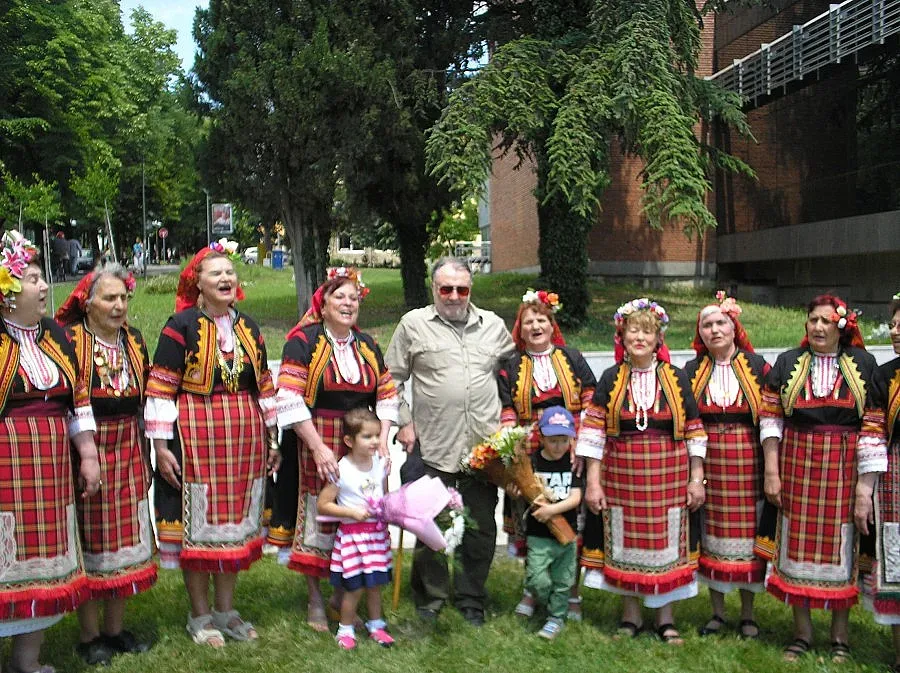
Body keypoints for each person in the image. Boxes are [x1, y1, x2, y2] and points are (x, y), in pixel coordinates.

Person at [144, 242, 280, 648]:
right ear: (197, 284)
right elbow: (161, 388)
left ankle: (226, 611)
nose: (225, 278)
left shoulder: (249, 327)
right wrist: (162, 447)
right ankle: (200, 616)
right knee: (197, 530)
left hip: (244, 441)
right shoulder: (179, 326)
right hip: (196, 440)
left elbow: (264, 387)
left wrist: (274, 437)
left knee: (235, 526)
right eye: (215, 273)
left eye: (229, 273)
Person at [384, 257, 515, 626]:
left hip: (483, 449)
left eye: (462, 289)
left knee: (480, 529)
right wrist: (405, 424)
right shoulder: (414, 325)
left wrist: (510, 424)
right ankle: (431, 598)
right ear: (434, 289)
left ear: (470, 290)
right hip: (432, 447)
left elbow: (514, 377)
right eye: (446, 289)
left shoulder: (493, 326)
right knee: (432, 527)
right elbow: (388, 379)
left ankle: (471, 598)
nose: (455, 296)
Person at [758, 294, 886, 663]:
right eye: (813, 320)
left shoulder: (863, 363)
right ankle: (801, 634)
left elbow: (873, 425)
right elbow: (771, 419)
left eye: (826, 321)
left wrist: (865, 487)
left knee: (842, 549)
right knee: (795, 547)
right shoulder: (788, 362)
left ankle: (840, 638)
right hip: (796, 464)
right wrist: (772, 470)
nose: (817, 327)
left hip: (843, 470)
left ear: (841, 326)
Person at [271, 267, 398, 632]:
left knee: (357, 511)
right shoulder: (303, 342)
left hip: (359, 440)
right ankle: (315, 596)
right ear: (322, 305)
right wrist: (320, 450)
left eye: (353, 298)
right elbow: (290, 397)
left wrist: (383, 441)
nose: (348, 303)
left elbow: (387, 395)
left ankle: (343, 595)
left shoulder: (368, 345)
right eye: (339, 297)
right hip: (316, 436)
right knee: (319, 511)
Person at [576, 298, 707, 645]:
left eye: (647, 332)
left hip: (669, 477)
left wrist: (697, 479)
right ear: (622, 335)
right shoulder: (610, 378)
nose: (639, 337)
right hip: (621, 478)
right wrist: (593, 483)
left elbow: (694, 431)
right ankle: (630, 616)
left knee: (669, 547)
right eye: (633, 330)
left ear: (658, 339)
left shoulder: (677, 379)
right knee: (623, 543)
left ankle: (665, 619)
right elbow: (593, 433)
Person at [0, 231, 100, 673]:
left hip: (49, 468)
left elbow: (78, 400)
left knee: (41, 562)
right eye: (34, 279)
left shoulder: (56, 336)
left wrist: (89, 454)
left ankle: (27, 661)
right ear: (7, 292)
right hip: (7, 466)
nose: (45, 287)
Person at [55, 264, 156, 665]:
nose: (119, 306)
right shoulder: (70, 341)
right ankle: (89, 634)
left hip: (128, 441)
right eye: (109, 298)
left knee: (125, 538)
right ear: (87, 301)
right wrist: (85, 455)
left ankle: (115, 631)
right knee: (91, 537)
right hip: (85, 448)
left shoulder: (133, 340)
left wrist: (149, 451)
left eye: (123, 298)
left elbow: (146, 399)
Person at [498, 288, 595, 621]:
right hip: (530, 454)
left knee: (572, 523)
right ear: (520, 328)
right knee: (533, 522)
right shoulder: (511, 365)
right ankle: (532, 589)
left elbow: (590, 403)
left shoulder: (572, 358)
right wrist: (515, 460)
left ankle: (572, 594)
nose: (535, 326)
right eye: (528, 321)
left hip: (569, 450)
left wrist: (581, 447)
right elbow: (507, 411)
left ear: (552, 325)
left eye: (541, 320)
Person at [683, 292, 769, 639]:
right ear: (700, 332)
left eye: (721, 323)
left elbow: (771, 419)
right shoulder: (691, 372)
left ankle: (748, 614)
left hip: (749, 462)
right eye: (707, 324)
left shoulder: (758, 367)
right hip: (709, 461)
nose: (715, 330)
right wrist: (695, 473)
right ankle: (717, 612)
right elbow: (688, 422)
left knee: (748, 538)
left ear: (735, 328)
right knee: (711, 534)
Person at [316, 407, 394, 650]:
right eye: (367, 437)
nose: (374, 441)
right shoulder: (342, 470)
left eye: (376, 436)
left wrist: (390, 511)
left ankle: (376, 626)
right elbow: (323, 504)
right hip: (353, 539)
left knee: (374, 585)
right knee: (354, 587)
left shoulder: (380, 465)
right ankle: (346, 629)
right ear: (349, 440)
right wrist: (351, 512)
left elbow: (385, 494)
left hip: (376, 537)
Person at [513, 406, 583, 640]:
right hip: (539, 536)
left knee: (564, 580)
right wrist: (515, 491)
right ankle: (549, 603)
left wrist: (552, 510)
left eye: (564, 441)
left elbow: (575, 497)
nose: (559, 446)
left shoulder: (572, 464)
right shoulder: (531, 463)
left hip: (567, 535)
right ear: (541, 438)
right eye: (553, 441)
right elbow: (524, 491)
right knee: (536, 577)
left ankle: (556, 617)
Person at [860, 295, 900, 672]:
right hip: (897, 477)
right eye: (893, 325)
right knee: (897, 560)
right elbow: (873, 432)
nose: (895, 332)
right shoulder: (885, 376)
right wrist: (865, 489)